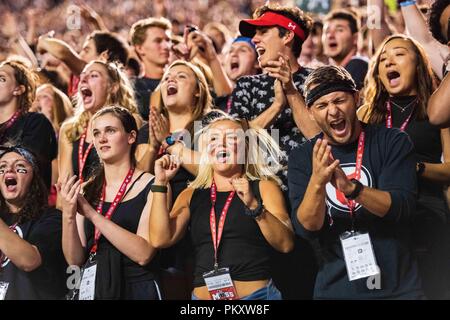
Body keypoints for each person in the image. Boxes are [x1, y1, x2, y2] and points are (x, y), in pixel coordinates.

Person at [288, 65, 423, 299]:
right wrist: (318, 183)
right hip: (336, 290)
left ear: (356, 98)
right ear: (310, 112)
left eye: (339, 100)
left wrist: (351, 189)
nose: (333, 112)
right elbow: (307, 228)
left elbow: (402, 207)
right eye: (322, 105)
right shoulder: (302, 156)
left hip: (398, 288)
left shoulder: (392, 141)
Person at [149, 112, 294, 300]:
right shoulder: (191, 194)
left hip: (256, 298)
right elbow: (160, 239)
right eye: (214, 139)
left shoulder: (263, 187)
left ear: (246, 148)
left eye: (232, 138)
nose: (221, 143)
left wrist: (254, 206)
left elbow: (286, 244)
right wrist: (160, 183)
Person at [232, 3, 320, 299]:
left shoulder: (318, 82)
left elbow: (318, 136)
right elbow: (234, 142)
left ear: (288, 36)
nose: (254, 39)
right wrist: (276, 106)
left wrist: (291, 93)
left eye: (263, 32)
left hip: (310, 202)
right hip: (259, 205)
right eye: (253, 34)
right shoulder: (246, 86)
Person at [358, 35, 450, 299]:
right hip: (378, 216)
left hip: (425, 216)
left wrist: (415, 167)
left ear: (418, 64)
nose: (389, 62)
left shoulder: (437, 111)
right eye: (383, 59)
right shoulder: (366, 114)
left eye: (398, 54)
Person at [59, 106, 161, 300]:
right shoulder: (85, 190)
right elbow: (74, 259)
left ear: (131, 137)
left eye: (110, 131)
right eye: (96, 133)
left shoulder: (153, 184)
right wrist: (68, 215)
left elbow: (144, 253)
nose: (102, 138)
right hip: (95, 286)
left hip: (136, 288)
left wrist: (91, 213)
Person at [138, 60, 212, 299]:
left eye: (181, 76)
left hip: (196, 231)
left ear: (198, 89)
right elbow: (138, 179)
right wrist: (153, 144)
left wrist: (169, 142)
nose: (170, 79)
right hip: (152, 229)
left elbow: (212, 169)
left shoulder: (210, 125)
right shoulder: (147, 130)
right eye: (167, 77)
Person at [58, 60, 142, 191]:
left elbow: (134, 171)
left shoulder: (130, 121)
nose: (83, 79)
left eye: (93, 75)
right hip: (75, 205)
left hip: (115, 200)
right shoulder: (70, 129)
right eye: (83, 75)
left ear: (112, 87)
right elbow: (64, 184)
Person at [0, 145, 67, 299]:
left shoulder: (51, 219)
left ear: (35, 177)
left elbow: (29, 260)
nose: (9, 171)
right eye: (2, 168)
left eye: (20, 167)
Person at [0, 59, 57, 190]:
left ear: (18, 89)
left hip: (26, 208)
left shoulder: (36, 123)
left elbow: (21, 166)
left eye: (1, 78)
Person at [37, 30, 129, 97]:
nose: (80, 55)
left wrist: (43, 41)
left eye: (86, 50)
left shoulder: (92, 75)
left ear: (103, 56)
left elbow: (63, 52)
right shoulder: (115, 85)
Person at [32, 83, 73, 206]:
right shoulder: (31, 131)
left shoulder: (68, 131)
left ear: (57, 103)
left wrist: (46, 120)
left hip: (57, 196)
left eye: (43, 96)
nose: (37, 101)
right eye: (36, 97)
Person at [130, 17, 172, 120]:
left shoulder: (184, 78)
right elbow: (148, 110)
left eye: (168, 40)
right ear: (140, 48)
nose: (166, 46)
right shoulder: (133, 85)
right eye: (158, 41)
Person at [322, 8, 368, 90]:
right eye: (327, 31)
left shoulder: (358, 65)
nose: (330, 35)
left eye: (339, 30)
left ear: (355, 38)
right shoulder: (327, 71)